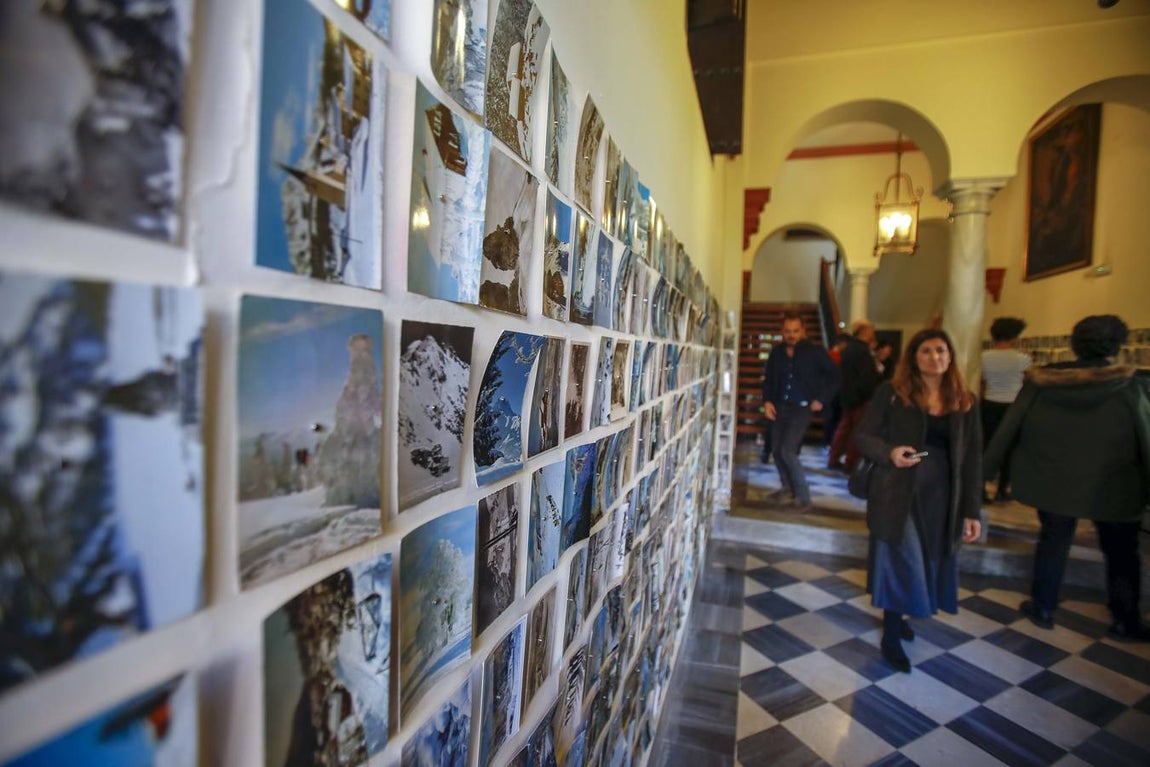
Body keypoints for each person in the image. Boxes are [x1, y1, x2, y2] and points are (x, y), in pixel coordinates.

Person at [984, 315, 1150, 640]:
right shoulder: (1130, 386)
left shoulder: (1043, 384)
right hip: (1113, 485)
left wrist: (983, 471)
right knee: (1121, 550)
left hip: (1054, 481)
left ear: (1075, 344)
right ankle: (1125, 617)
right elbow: (1145, 435)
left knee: (1053, 541)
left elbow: (1008, 430)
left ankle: (1043, 605)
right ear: (1117, 346)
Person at [855, 329, 983, 672]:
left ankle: (903, 615)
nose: (934, 357)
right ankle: (892, 634)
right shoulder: (893, 394)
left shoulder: (964, 400)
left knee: (929, 558)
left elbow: (972, 459)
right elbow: (864, 435)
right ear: (913, 357)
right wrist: (889, 452)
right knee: (901, 557)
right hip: (898, 489)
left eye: (941, 350)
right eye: (925, 351)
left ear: (950, 355)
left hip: (942, 495)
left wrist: (972, 510)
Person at [762, 313, 839, 512]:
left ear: (803, 330)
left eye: (795, 331)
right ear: (782, 331)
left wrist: (821, 399)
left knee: (788, 450)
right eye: (787, 331)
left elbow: (835, 376)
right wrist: (767, 401)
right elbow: (769, 379)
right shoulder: (776, 352)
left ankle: (804, 497)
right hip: (780, 406)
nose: (792, 335)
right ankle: (787, 489)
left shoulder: (815, 352)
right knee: (777, 449)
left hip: (802, 408)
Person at [980, 317, 1031, 502]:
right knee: (1010, 449)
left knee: (986, 447)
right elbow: (1027, 384)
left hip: (989, 404)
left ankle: (981, 487)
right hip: (1013, 406)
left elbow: (981, 384)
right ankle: (1003, 488)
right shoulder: (1022, 359)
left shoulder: (983, 357)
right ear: (1014, 336)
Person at [828, 320, 881, 472]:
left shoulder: (848, 349)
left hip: (847, 395)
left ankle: (834, 457)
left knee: (844, 429)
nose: (873, 332)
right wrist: (868, 394)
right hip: (860, 398)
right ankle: (850, 463)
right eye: (871, 330)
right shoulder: (862, 351)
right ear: (864, 332)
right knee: (858, 431)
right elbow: (867, 378)